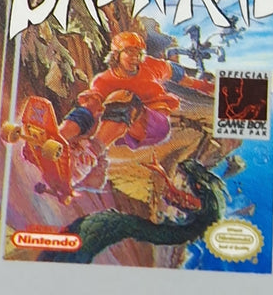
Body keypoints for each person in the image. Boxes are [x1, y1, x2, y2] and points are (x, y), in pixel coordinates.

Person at [58, 31, 212, 189]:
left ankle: (87, 158)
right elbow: (89, 108)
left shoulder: (150, 66)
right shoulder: (103, 80)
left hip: (154, 124)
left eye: (138, 53)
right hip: (126, 132)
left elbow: (176, 73)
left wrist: (202, 86)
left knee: (122, 97)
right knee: (93, 108)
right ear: (116, 55)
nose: (135, 58)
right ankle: (61, 140)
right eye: (129, 52)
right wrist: (65, 132)